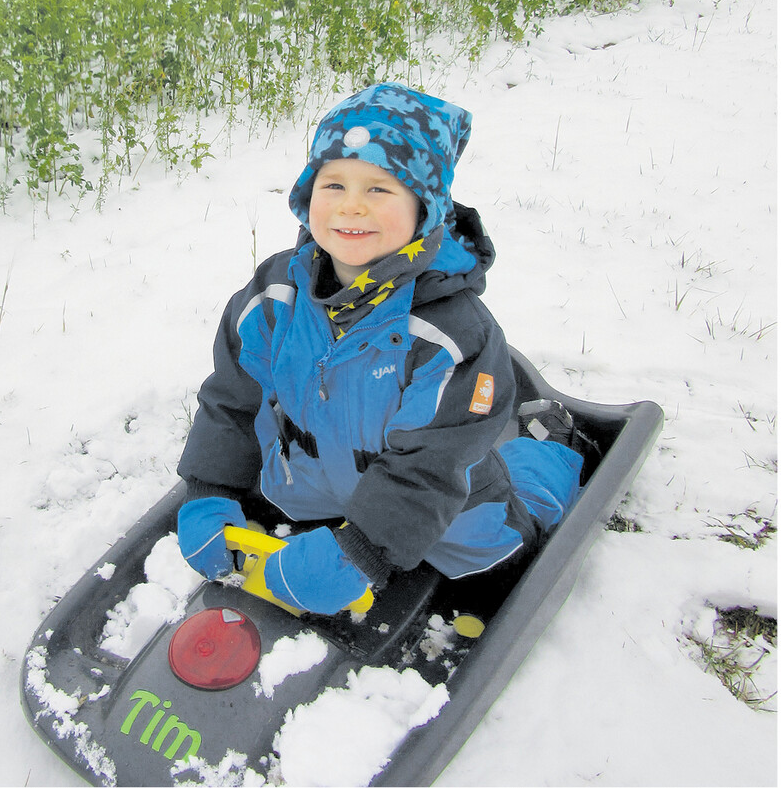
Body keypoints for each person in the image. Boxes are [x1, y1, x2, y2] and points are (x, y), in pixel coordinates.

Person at [176, 83, 585, 615]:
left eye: (379, 189)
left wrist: (361, 550)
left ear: (424, 207)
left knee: (508, 543)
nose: (351, 206)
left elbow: (432, 467)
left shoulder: (451, 337)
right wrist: (209, 486)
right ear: (307, 195)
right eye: (334, 184)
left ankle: (550, 440)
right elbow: (234, 398)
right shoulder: (274, 296)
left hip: (448, 515)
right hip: (310, 486)